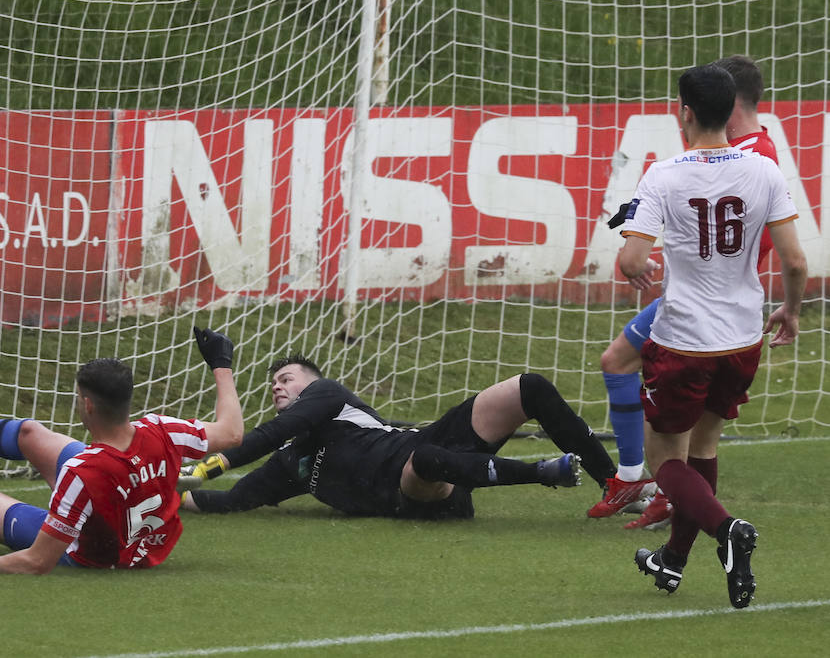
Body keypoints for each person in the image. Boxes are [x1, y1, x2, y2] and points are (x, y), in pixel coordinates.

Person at [617, 62, 805, 609]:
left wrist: (637, 264)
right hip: (743, 336)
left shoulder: (664, 174)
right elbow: (794, 260)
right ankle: (672, 561)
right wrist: (790, 313)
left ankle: (728, 531)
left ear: (686, 112)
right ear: (734, 110)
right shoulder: (764, 169)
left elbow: (631, 259)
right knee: (705, 446)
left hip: (683, 339)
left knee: (665, 460)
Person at [589, 55, 781, 529]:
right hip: (713, 300)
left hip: (705, 301)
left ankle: (676, 502)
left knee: (680, 428)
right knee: (622, 367)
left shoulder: (755, 156)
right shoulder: (749, 154)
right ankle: (658, 500)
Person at [0, 327, 243, 573]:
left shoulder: (83, 472)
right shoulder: (163, 430)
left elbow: (37, 562)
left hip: (90, 553)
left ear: (87, 404)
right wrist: (220, 362)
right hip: (139, 534)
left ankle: (57, 521)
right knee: (29, 432)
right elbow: (231, 432)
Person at [178, 354, 617, 521]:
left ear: (313, 385)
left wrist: (205, 465)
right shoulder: (289, 464)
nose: (277, 386)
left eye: (287, 378)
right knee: (425, 458)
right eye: (273, 382)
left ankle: (615, 484)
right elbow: (230, 500)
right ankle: (541, 472)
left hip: (429, 447)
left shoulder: (328, 396)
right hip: (418, 485)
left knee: (530, 387)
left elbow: (267, 435)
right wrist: (164, 494)